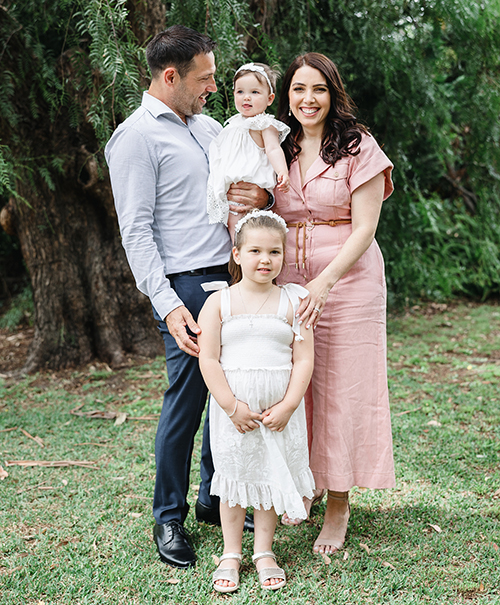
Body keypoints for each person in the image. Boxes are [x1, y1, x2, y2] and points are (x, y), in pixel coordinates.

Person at [105, 25, 270, 569]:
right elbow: (136, 232)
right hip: (184, 285)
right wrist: (170, 305)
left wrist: (258, 194)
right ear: (170, 76)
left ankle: (212, 498)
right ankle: (168, 517)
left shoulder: (208, 128)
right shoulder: (135, 137)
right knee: (188, 398)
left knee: (229, 391)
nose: (215, 88)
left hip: (232, 274)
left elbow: (238, 184)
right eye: (205, 78)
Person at [273, 52, 396, 554]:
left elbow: (365, 226)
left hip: (348, 280)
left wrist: (323, 283)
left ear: (333, 93)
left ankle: (339, 504)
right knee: (297, 385)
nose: (308, 99)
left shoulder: (355, 144)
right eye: (299, 89)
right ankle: (308, 481)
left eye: (318, 89)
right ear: (287, 96)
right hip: (286, 282)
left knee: (344, 388)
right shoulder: (274, 144)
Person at [198, 210, 315, 593]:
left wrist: (288, 405)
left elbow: (304, 359)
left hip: (277, 412)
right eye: (255, 251)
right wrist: (231, 405)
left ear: (284, 256)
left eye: (274, 252)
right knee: (234, 480)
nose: (265, 260)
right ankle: (231, 551)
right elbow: (209, 358)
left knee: (268, 478)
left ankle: (264, 550)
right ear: (236, 254)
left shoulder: (293, 301)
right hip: (235, 412)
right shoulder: (220, 302)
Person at [207, 63, 290, 239]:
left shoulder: (264, 124)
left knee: (244, 235)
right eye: (240, 92)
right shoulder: (232, 124)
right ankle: (237, 262)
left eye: (254, 92)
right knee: (232, 233)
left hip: (248, 193)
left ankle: (242, 264)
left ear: (269, 99)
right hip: (229, 194)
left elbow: (273, 149)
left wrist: (282, 171)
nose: (246, 98)